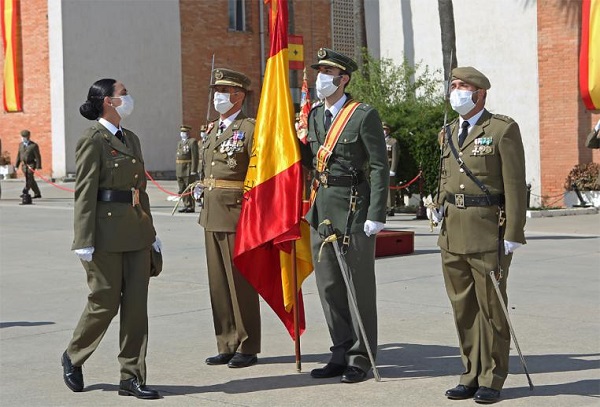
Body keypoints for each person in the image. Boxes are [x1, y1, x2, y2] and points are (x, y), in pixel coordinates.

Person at [430, 66, 527, 404]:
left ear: (479, 93)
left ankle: (493, 377)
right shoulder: (447, 132)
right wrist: (439, 204)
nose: (455, 91)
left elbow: (515, 185)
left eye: (463, 86)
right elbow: (446, 176)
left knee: (491, 308)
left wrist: (514, 231)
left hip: (488, 232)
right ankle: (470, 372)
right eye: (453, 85)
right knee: (463, 309)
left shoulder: (501, 129)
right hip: (452, 231)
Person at [61, 78, 161, 400]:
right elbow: (85, 193)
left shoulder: (130, 139)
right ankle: (73, 355)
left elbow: (139, 191)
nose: (128, 97)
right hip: (104, 234)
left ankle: (131, 376)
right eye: (123, 93)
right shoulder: (92, 139)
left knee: (136, 307)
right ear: (108, 101)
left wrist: (152, 233)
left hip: (136, 231)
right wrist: (83, 238)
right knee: (104, 301)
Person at [299, 48, 389, 384]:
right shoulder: (313, 116)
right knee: (329, 286)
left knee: (358, 287)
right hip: (322, 207)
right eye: (319, 70)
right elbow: (312, 162)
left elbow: (379, 166)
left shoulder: (362, 115)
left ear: (343, 79)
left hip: (354, 208)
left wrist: (377, 212)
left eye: (328, 72)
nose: (321, 77)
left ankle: (361, 356)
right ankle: (339, 351)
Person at [198, 68, 260, 368]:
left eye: (224, 91)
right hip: (211, 213)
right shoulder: (211, 129)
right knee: (218, 284)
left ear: (239, 95)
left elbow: (258, 173)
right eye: (216, 90)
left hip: (237, 214)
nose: (217, 96)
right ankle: (226, 341)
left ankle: (247, 345)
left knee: (240, 285)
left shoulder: (249, 128)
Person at [176, 124, 199, 213]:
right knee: (182, 189)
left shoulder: (192, 142)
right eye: (182, 132)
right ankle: (186, 205)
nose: (183, 133)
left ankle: (191, 206)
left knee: (189, 189)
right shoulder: (180, 143)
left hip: (188, 169)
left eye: (184, 132)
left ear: (188, 133)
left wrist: (194, 170)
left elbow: (195, 156)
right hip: (179, 169)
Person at [15, 129, 42, 199]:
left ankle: (25, 191)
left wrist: (38, 166)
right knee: (30, 179)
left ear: (28, 137)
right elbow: (18, 155)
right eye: (22, 137)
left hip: (31, 164)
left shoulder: (33, 146)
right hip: (24, 165)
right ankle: (37, 193)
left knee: (29, 178)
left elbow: (38, 156)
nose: (23, 138)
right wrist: (16, 165)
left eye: (25, 137)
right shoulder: (20, 145)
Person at [383, 122, 399, 216]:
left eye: (385, 129)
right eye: (383, 129)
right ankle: (383, 206)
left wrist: (393, 169)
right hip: (380, 168)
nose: (384, 131)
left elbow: (395, 156)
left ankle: (390, 207)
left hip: (389, 167)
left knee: (390, 189)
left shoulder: (393, 142)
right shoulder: (378, 140)